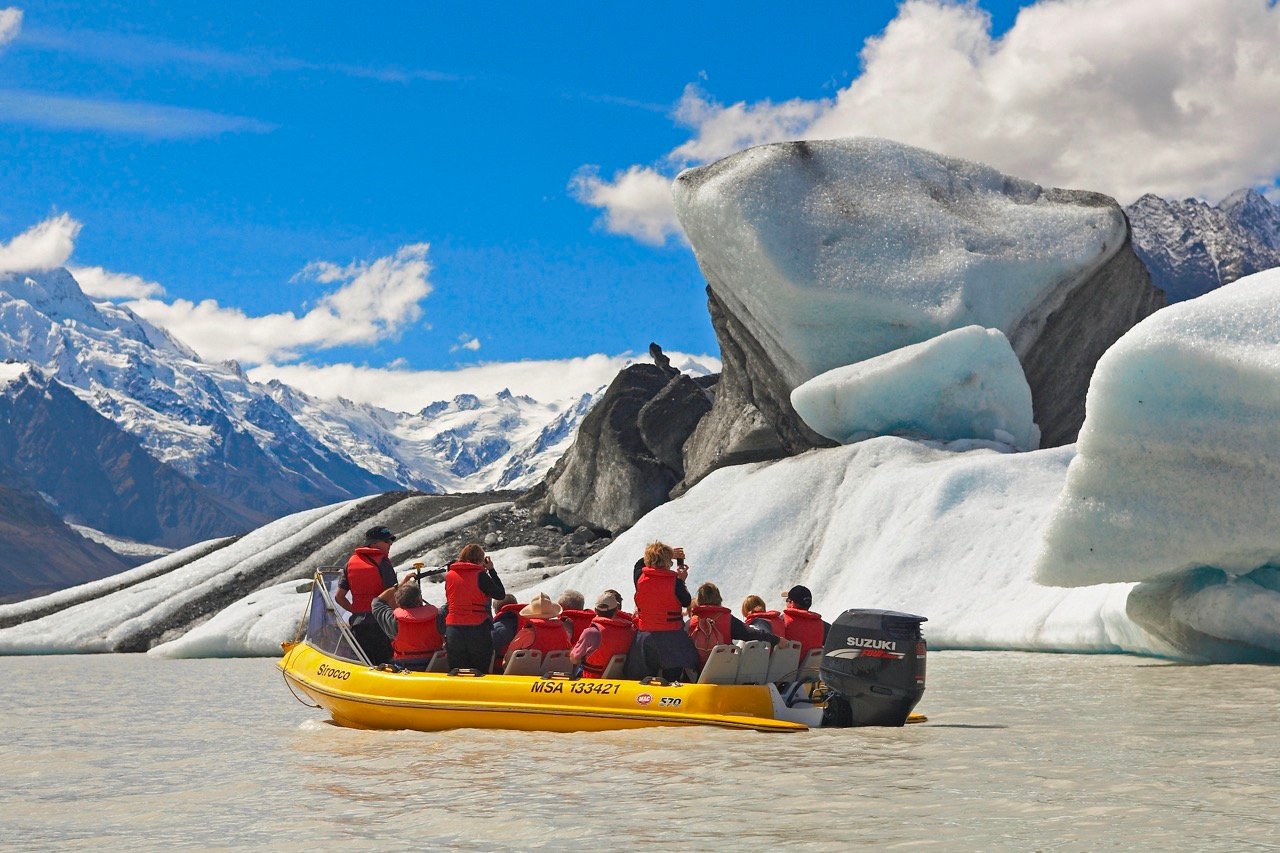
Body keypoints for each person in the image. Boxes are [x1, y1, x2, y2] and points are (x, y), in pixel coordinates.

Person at [632, 542, 699, 681]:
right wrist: (682, 580)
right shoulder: (675, 582)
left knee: (645, 676)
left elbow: (638, 564)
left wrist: (666, 553)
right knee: (673, 676)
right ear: (667, 561)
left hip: (645, 637)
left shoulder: (639, 577)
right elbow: (686, 602)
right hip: (672, 636)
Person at [334, 525, 398, 664]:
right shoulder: (383, 562)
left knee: (365, 664)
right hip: (381, 624)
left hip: (359, 625)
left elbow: (339, 597)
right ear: (373, 543)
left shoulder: (350, 563)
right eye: (387, 541)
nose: (390, 544)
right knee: (386, 664)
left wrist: (356, 611)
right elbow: (391, 595)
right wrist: (398, 621)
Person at [444, 543, 506, 671]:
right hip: (477, 628)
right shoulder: (480, 575)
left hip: (453, 629)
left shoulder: (450, 575)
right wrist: (491, 571)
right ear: (480, 560)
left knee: (457, 671)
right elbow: (500, 594)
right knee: (479, 671)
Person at [687, 583, 781, 666]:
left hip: (696, 673)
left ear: (699, 600)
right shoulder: (728, 619)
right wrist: (777, 640)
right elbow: (751, 634)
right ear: (719, 599)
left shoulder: (691, 621)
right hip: (724, 668)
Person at [371, 575, 444, 670]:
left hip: (405, 667)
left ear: (398, 602)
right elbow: (451, 603)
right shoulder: (438, 616)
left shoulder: (393, 621)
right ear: (420, 599)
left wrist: (399, 585)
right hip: (434, 663)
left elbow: (377, 602)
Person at [571, 591, 637, 678]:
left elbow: (574, 659)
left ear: (595, 610)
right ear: (617, 609)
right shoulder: (630, 630)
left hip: (592, 678)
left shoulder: (591, 632)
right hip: (619, 677)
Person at [505, 593, 572, 665]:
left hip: (529, 674)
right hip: (555, 672)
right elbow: (569, 653)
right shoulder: (562, 631)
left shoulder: (527, 633)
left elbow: (507, 659)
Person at [782, 584, 829, 657]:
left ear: (791, 603)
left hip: (785, 666)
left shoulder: (782, 621)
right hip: (810, 667)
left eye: (787, 600)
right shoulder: (821, 625)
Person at [491, 594, 524, 671]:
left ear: (496, 610)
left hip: (501, 670)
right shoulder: (528, 624)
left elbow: (487, 653)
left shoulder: (495, 629)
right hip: (526, 667)